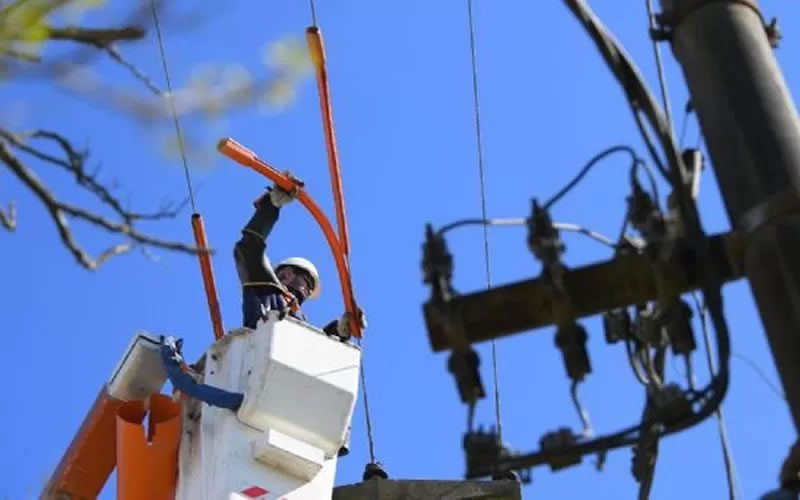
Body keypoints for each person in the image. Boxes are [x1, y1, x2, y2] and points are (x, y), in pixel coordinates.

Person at [233, 171, 365, 341]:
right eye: (307, 282)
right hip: (259, 355)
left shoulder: (299, 319)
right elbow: (248, 249)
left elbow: (314, 349)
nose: (308, 291)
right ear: (286, 274)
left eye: (310, 288)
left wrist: (341, 329)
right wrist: (272, 205)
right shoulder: (266, 290)